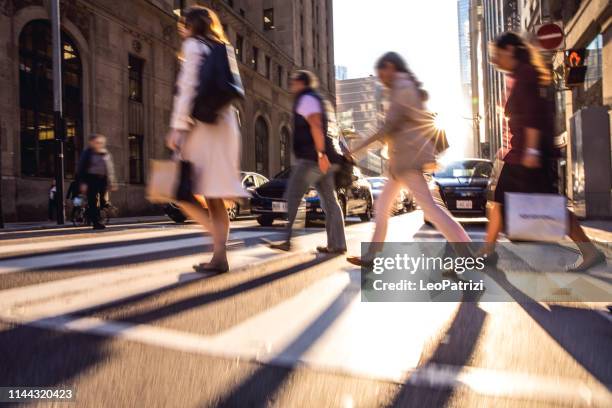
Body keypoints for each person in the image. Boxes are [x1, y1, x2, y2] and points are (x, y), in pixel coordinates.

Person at [484, 32, 605, 271]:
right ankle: (487, 251)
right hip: (521, 152)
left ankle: (589, 251)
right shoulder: (519, 74)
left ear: (509, 50)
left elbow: (531, 114)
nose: (495, 60)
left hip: (529, 154)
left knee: (547, 206)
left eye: (497, 54)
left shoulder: (525, 73)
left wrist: (530, 150)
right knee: (500, 200)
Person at [347, 52, 471, 267]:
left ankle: (467, 252)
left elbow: (388, 127)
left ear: (390, 67)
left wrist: (356, 149)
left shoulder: (402, 88)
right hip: (400, 162)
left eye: (381, 73)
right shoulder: (403, 87)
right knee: (383, 208)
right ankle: (372, 255)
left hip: (408, 161)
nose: (381, 78)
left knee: (430, 210)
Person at [165, 5, 247, 273]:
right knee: (212, 195)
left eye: (183, 22)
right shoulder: (219, 47)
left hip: (203, 128)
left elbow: (188, 88)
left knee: (184, 192)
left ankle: (217, 243)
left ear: (191, 24)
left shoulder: (193, 47)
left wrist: (177, 128)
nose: (181, 27)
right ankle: (219, 256)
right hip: (225, 124)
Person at [270, 70, 347, 254]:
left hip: (312, 159)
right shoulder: (317, 99)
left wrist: (320, 154)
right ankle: (337, 244)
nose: (291, 84)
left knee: (293, 196)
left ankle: (288, 240)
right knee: (330, 202)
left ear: (301, 83)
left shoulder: (306, 99)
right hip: (322, 157)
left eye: (293, 81)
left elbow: (316, 125)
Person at [76, 134, 116, 230]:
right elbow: (81, 168)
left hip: (103, 179)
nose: (99, 144)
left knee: (103, 200)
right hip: (91, 179)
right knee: (93, 201)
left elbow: (109, 168)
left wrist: (112, 182)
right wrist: (82, 182)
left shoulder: (105, 153)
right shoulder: (87, 153)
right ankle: (96, 222)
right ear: (92, 143)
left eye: (101, 142)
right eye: (97, 142)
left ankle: (97, 211)